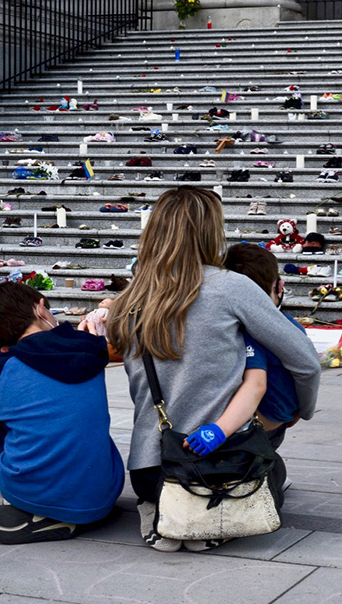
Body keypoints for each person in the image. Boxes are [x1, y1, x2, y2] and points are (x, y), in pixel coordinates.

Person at [105, 187, 320, 553]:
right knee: (274, 466)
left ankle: (160, 509)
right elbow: (305, 361)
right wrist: (303, 411)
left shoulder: (129, 299)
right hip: (220, 463)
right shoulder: (230, 287)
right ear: (210, 232)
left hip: (150, 463)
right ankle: (206, 520)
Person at [0, 283, 124, 544]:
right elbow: (63, 339)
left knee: (6, 418)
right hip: (106, 491)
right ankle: (80, 501)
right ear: (40, 308)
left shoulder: (0, 366)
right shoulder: (91, 348)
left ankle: (42, 511)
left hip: (38, 493)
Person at [222, 242, 305, 456]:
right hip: (273, 423)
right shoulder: (289, 326)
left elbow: (256, 384)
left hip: (248, 425)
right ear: (279, 286)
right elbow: (308, 369)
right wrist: (302, 409)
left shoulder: (237, 328)